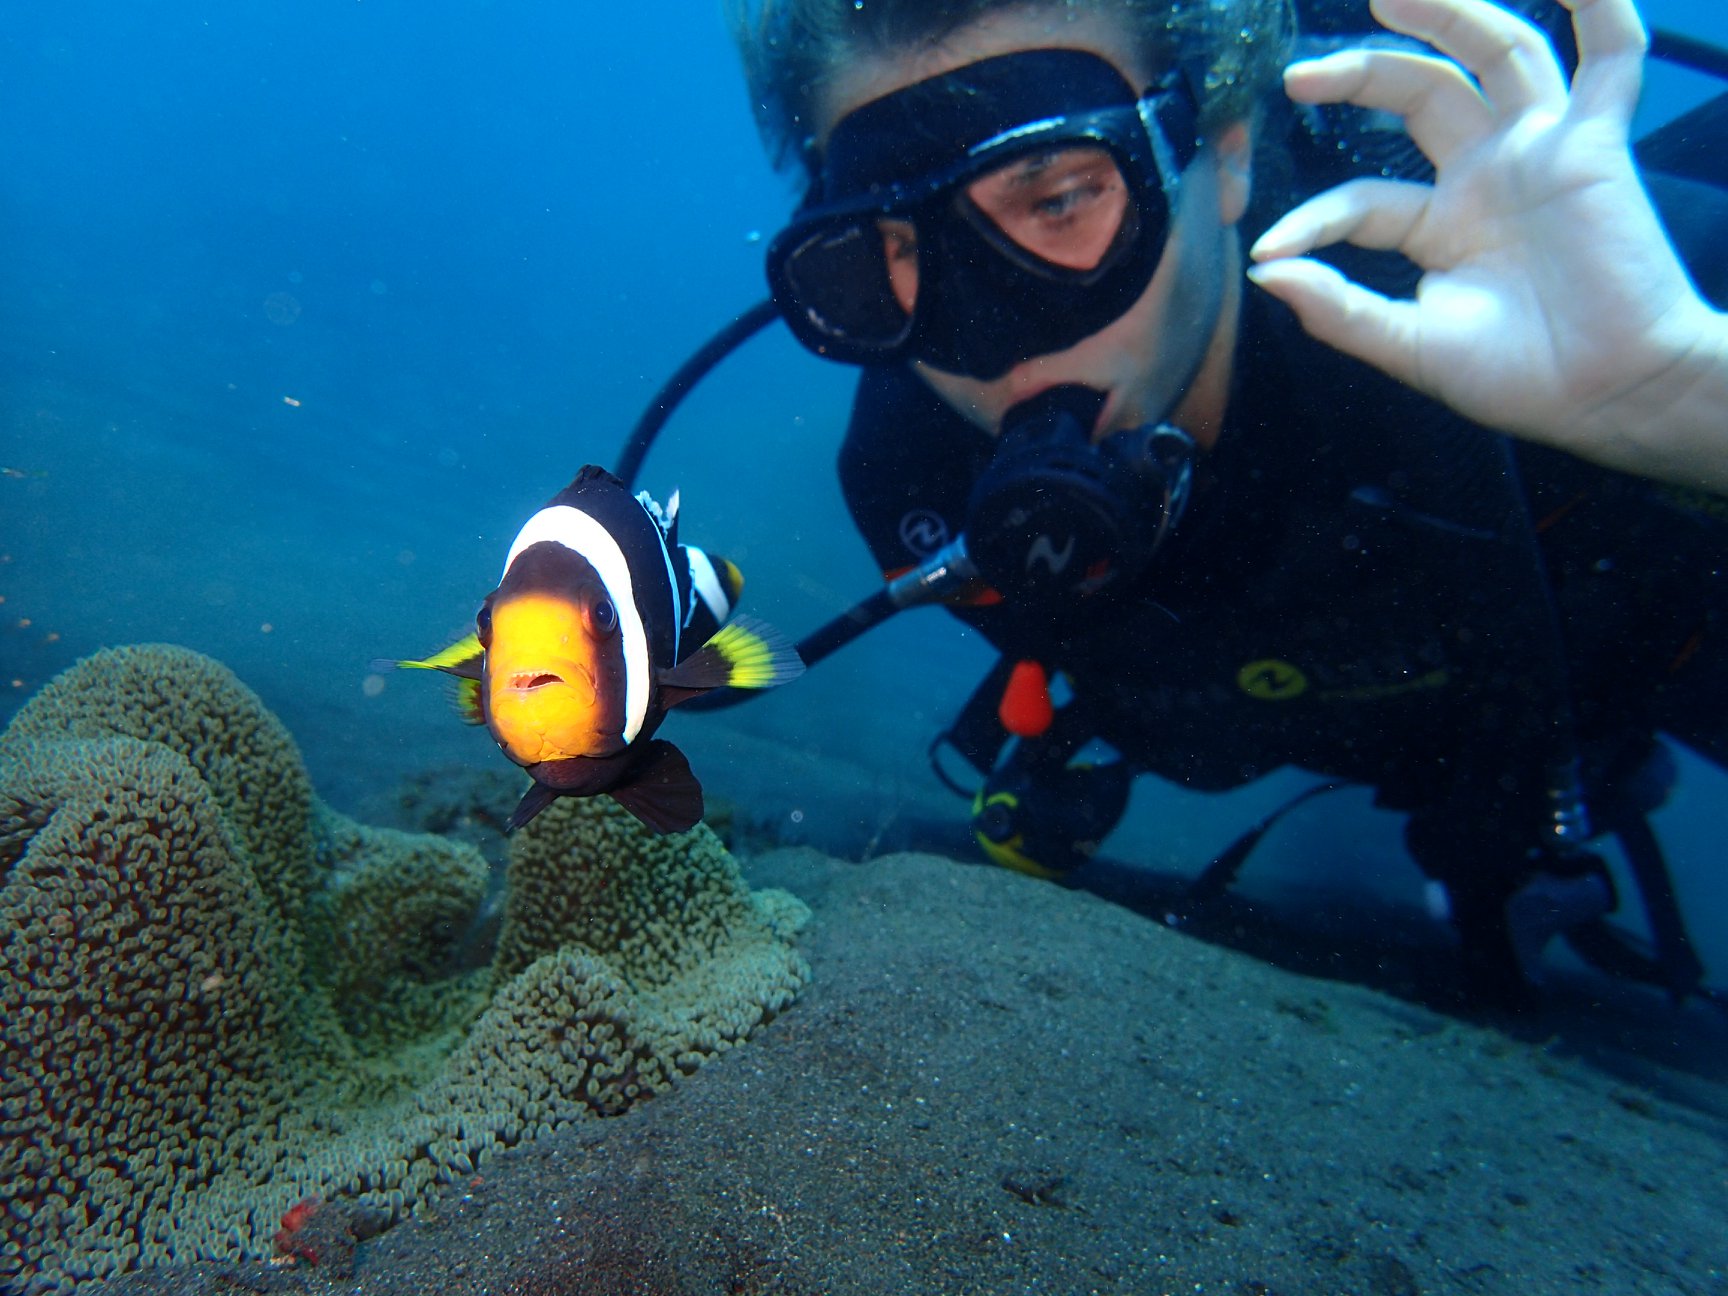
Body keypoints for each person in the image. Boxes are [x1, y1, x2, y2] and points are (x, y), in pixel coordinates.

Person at [722, 0, 1728, 1004]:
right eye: (892, 250)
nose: (990, 337)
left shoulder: (1525, 309)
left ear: (1230, 155)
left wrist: (1685, 412)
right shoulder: (909, 475)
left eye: (1063, 198)